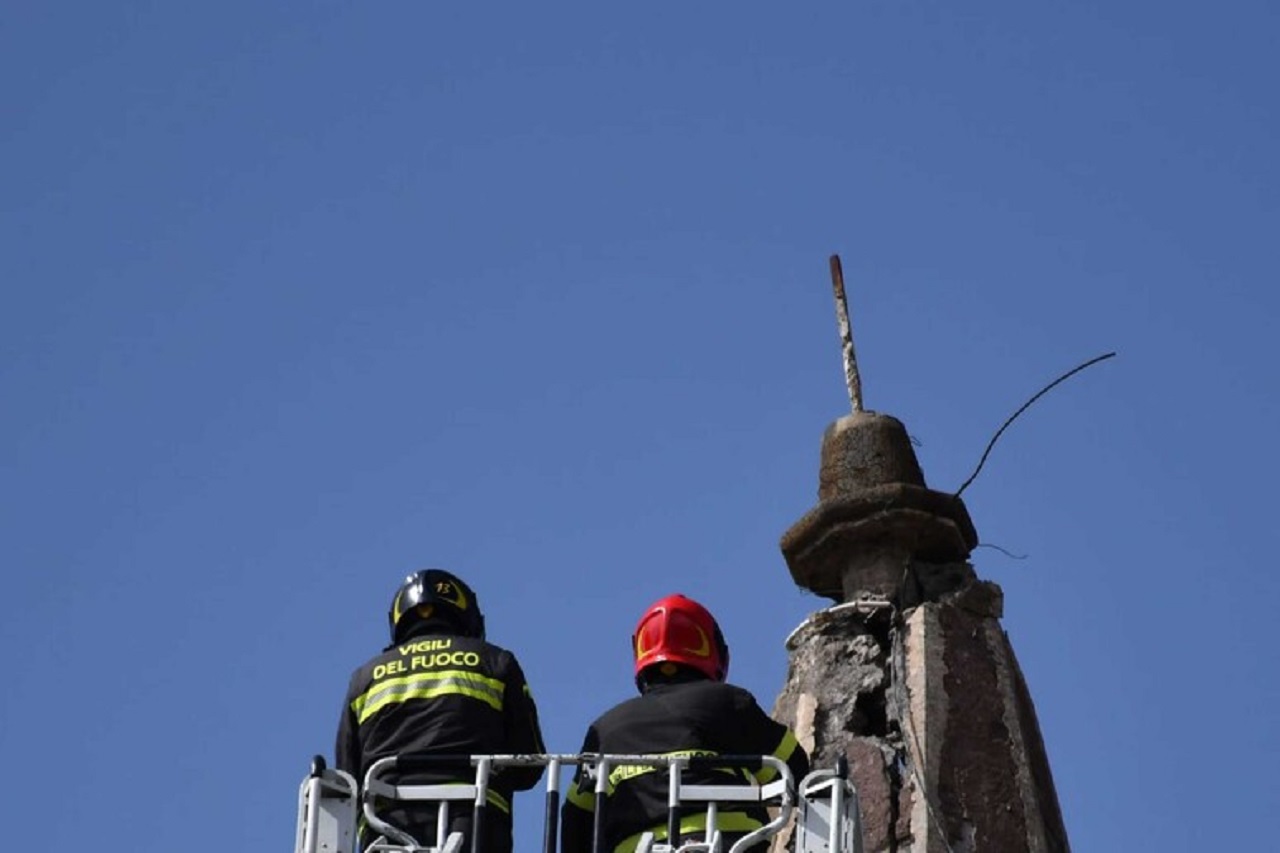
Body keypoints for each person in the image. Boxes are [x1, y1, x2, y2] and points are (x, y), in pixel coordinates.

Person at [561, 594, 809, 853]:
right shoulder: (727, 703)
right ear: (715, 652)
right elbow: (794, 768)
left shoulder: (606, 729)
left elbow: (576, 820)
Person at [336, 569, 545, 852]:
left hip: (385, 825)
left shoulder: (364, 678)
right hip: (474, 819)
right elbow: (528, 763)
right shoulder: (495, 661)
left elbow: (346, 777)